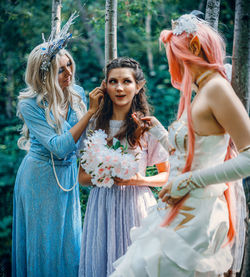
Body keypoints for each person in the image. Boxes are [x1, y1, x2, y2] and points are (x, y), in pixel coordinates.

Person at [110, 14, 250, 277]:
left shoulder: (217, 88)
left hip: (196, 218)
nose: (172, 63)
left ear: (195, 48)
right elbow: (191, 154)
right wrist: (162, 133)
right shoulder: (202, 91)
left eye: (175, 54)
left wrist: (186, 182)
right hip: (173, 208)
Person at [12, 15, 103, 277]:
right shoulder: (29, 104)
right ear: (45, 75)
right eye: (61, 69)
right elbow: (60, 147)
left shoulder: (76, 94)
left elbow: (84, 141)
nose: (69, 72)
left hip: (67, 177)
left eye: (69, 65)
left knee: (69, 241)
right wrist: (89, 114)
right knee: (43, 244)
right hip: (39, 178)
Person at [78, 57, 169, 277]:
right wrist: (104, 174)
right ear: (104, 86)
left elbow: (166, 175)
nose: (119, 88)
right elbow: (81, 177)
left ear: (138, 86)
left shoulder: (148, 126)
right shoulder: (93, 125)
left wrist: (139, 180)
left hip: (136, 205)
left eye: (126, 81)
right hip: (102, 207)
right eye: (113, 82)